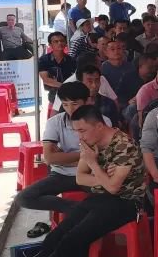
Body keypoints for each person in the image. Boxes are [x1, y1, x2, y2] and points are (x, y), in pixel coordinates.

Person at [0, 105, 146, 257]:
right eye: (76, 131)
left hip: (126, 202)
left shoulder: (124, 145)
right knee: (56, 235)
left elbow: (114, 188)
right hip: (100, 197)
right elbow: (80, 178)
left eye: (82, 130)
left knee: (72, 240)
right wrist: (104, 176)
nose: (79, 136)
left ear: (99, 126)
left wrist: (94, 164)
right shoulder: (89, 141)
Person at [15, 82, 102, 225]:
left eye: (75, 104)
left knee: (112, 194)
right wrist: (85, 155)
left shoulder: (101, 121)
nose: (70, 109)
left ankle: (83, 213)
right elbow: (49, 158)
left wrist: (64, 157)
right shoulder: (55, 122)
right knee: (24, 197)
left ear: (87, 101)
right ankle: (78, 209)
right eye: (65, 104)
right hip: (62, 175)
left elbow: (101, 156)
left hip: (91, 173)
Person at [38, 31, 77, 103]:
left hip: (70, 93)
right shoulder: (44, 60)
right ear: (50, 44)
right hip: (53, 93)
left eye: (62, 41)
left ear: (65, 43)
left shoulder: (71, 60)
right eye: (56, 41)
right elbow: (46, 79)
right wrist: (64, 86)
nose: (60, 43)